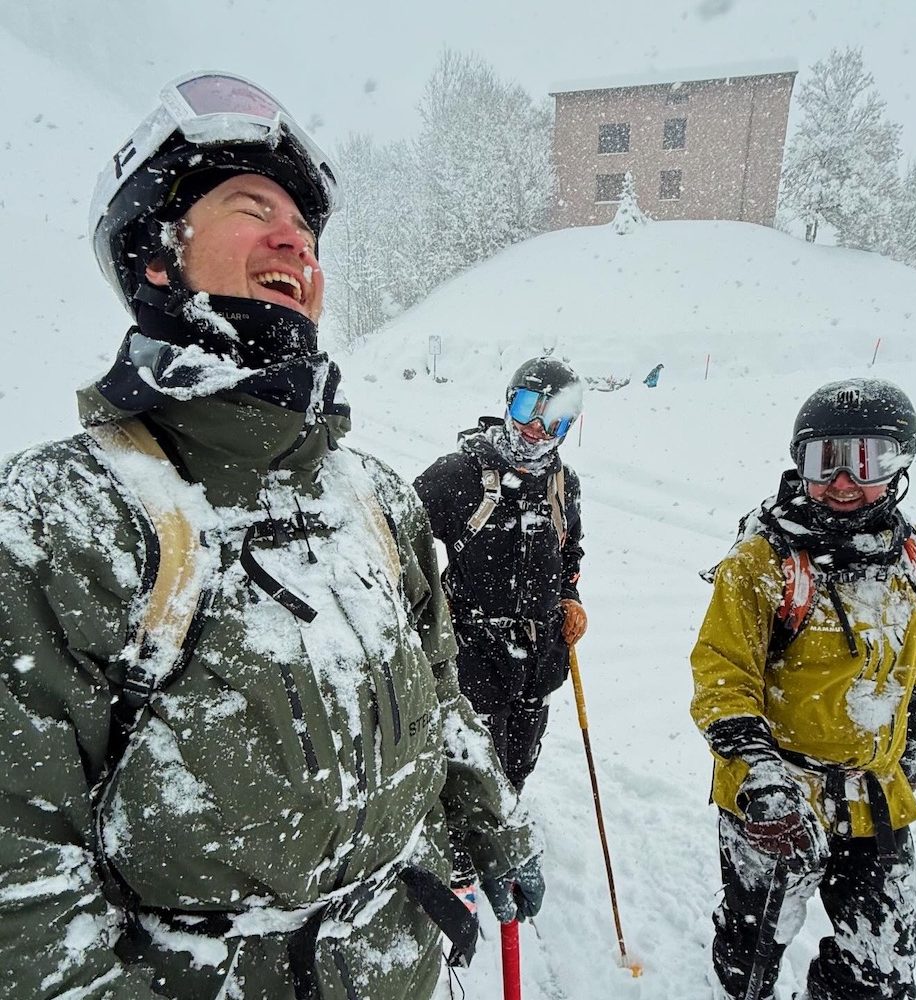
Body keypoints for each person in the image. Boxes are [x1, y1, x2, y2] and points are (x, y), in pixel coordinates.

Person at [0, 71, 542, 1000]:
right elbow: (21, 866)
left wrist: (492, 827)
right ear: (158, 256)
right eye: (252, 208)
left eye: (308, 228)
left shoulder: (374, 498)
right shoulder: (66, 513)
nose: (296, 239)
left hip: (396, 966)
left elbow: (441, 700)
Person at [690, 378, 916, 1000]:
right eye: (823, 459)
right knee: (753, 955)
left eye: (868, 458)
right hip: (776, 801)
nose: (843, 480)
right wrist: (760, 775)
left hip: (875, 800)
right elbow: (722, 678)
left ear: (901, 461)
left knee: (881, 971)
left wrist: (906, 747)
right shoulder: (764, 562)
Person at [413, 357, 586, 896]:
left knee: (518, 758)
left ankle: (502, 828)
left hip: (539, 657)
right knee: (466, 762)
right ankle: (460, 855)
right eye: (525, 407)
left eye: (552, 419)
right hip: (472, 652)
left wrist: (570, 597)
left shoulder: (563, 483)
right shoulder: (458, 475)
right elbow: (402, 546)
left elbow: (569, 549)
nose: (535, 427)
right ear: (507, 401)